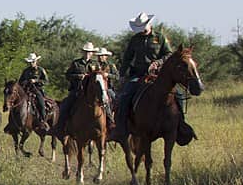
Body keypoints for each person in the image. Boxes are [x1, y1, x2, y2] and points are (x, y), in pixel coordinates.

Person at [111, 12, 195, 144]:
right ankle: (121, 129)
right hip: (138, 75)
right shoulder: (135, 40)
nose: (142, 29)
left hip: (159, 75)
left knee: (178, 94)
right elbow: (127, 58)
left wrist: (158, 63)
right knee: (125, 96)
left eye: (144, 26)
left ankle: (181, 125)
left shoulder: (160, 38)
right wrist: (122, 74)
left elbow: (168, 54)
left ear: (149, 24)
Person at [54, 41, 97, 135]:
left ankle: (110, 126)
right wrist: (78, 76)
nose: (87, 54)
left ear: (92, 53)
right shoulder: (76, 63)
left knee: (105, 105)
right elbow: (67, 75)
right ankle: (59, 128)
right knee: (65, 106)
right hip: (77, 90)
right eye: (86, 52)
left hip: (92, 92)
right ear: (83, 52)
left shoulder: (96, 64)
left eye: (89, 52)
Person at [17, 53, 51, 128]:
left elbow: (46, 81)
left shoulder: (41, 70)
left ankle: (43, 120)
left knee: (41, 103)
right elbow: (20, 82)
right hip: (27, 90)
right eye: (30, 62)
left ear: (36, 61)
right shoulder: (25, 71)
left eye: (33, 62)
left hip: (37, 90)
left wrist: (36, 81)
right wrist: (25, 82)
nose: (31, 63)